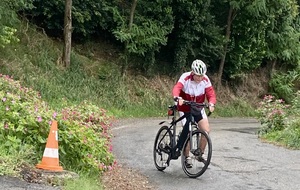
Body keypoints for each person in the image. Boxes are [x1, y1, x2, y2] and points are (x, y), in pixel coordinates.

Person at [172, 59, 216, 168]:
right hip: (185, 108)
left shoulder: (205, 80)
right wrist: (177, 97)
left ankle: (200, 153)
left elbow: (211, 93)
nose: (200, 78)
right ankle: (186, 157)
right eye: (197, 76)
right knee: (188, 132)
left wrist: (211, 103)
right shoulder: (185, 77)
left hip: (198, 108)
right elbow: (177, 88)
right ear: (192, 72)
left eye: (201, 76)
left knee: (206, 130)